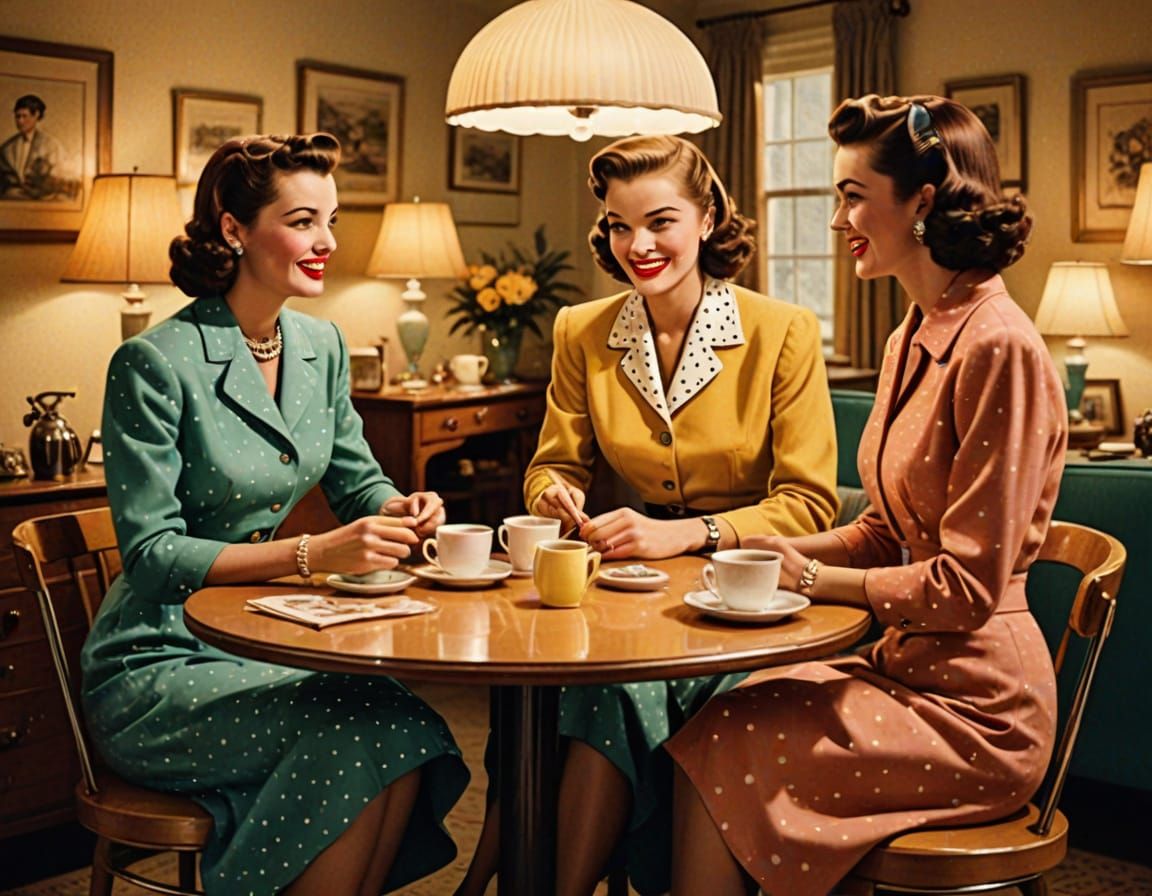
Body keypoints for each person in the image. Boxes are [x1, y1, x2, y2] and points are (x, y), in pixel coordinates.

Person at [665, 94, 1068, 896]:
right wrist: (763, 553)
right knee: (721, 712)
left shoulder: (1000, 348)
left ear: (922, 202)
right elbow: (887, 532)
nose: (837, 219)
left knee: (729, 738)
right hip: (907, 669)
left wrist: (806, 579)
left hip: (981, 714)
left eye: (852, 196)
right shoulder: (912, 334)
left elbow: (965, 588)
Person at [80, 133, 469, 896]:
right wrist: (314, 556)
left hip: (264, 638)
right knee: (350, 735)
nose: (326, 241)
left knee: (405, 724)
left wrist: (403, 508)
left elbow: (360, 485)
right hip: (156, 662)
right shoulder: (155, 362)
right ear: (233, 229)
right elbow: (154, 558)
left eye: (330, 220)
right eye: (302, 221)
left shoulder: (319, 344)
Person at [457, 135, 839, 896]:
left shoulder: (782, 332)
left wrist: (690, 533)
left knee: (614, 691)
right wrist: (554, 499)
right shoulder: (583, 331)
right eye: (619, 225)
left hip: (750, 599)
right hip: (629, 593)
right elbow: (552, 466)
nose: (639, 245)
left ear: (706, 218)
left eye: (660, 222)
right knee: (570, 689)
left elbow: (810, 503)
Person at [0, 94, 75, 200]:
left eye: (24, 116)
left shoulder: (51, 145)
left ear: (36, 115)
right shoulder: (7, 148)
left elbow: (62, 177)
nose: (20, 121)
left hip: (43, 199)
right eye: (17, 116)